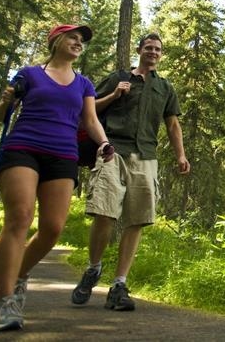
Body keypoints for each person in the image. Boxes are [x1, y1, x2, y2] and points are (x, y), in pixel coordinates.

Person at [0, 24, 115, 331]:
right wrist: (5, 102)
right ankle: (4, 303)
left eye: (81, 40)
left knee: (53, 229)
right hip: (23, 148)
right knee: (19, 218)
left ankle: (19, 276)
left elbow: (90, 119)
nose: (78, 43)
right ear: (56, 40)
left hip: (63, 154)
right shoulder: (29, 75)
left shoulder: (83, 83)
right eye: (73, 37)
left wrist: (104, 142)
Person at [71, 32, 189, 311]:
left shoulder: (165, 87)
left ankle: (119, 284)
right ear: (139, 50)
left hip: (146, 156)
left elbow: (172, 125)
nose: (153, 52)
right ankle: (93, 268)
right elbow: (86, 110)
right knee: (105, 212)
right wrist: (115, 94)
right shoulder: (118, 78)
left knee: (137, 219)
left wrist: (181, 155)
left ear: (161, 54)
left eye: (157, 49)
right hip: (113, 150)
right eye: (148, 47)